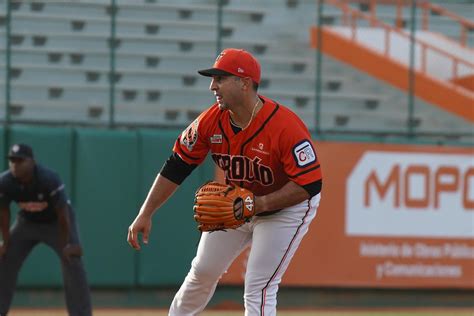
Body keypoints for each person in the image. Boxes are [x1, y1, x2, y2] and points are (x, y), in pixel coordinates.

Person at [127, 48, 323, 315]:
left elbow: (309, 184)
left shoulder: (286, 127)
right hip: (238, 203)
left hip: (285, 210)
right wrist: (146, 212)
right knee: (203, 271)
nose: (212, 86)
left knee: (259, 285)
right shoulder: (211, 121)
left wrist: (259, 204)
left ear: (244, 83)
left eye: (220, 78)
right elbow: (177, 165)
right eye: (213, 79)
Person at [0, 144, 92, 316]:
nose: (15, 165)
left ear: (32, 162)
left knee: (72, 259)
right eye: (12, 160)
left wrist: (67, 244)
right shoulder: (5, 181)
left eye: (20, 160)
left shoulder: (48, 179)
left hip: (56, 223)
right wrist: (5, 242)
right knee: (4, 258)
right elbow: (3, 212)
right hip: (26, 222)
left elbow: (63, 215)